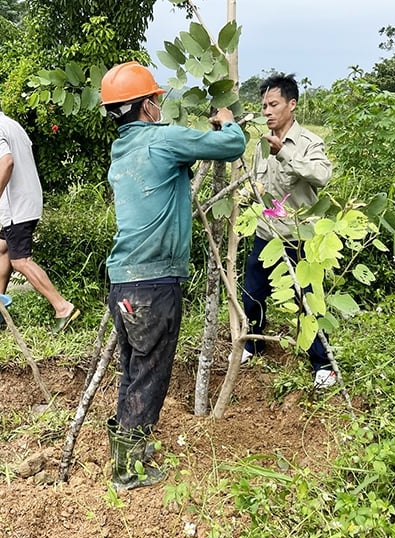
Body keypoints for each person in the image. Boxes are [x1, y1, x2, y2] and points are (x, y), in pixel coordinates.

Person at [100, 61, 246, 490]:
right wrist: (228, 122)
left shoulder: (122, 150)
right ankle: (127, 471)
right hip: (153, 283)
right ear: (146, 106)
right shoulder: (161, 140)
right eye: (156, 101)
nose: (159, 107)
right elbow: (231, 146)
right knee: (150, 372)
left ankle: (128, 451)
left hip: (123, 280)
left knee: (133, 369)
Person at [239, 73, 336, 389]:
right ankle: (254, 346)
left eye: (273, 104)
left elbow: (322, 176)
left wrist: (285, 152)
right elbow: (260, 186)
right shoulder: (259, 146)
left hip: (300, 240)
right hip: (267, 236)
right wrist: (243, 198)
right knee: (252, 296)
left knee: (307, 301)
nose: (267, 111)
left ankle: (323, 364)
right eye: (264, 105)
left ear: (291, 105)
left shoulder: (308, 143)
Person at [0, 89, 79, 333]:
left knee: (21, 261)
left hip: (17, 206)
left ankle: (62, 307)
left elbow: (7, 161)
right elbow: (9, 164)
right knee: (2, 247)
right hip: (26, 200)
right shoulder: (12, 125)